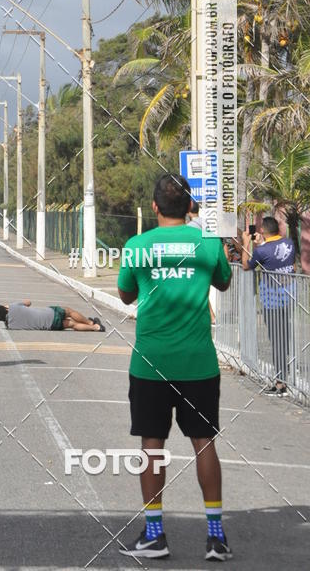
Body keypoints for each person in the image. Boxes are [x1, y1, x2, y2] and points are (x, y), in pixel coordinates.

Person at [117, 174, 232, 562]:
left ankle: (155, 535)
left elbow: (126, 294)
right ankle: (215, 536)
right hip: (198, 363)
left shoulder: (137, 246)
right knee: (204, 443)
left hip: (151, 363)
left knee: (152, 445)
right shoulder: (208, 243)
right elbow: (223, 282)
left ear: (154, 207)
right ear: (190, 207)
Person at [242, 216, 296, 397]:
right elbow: (287, 263)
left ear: (263, 231)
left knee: (277, 340)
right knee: (284, 338)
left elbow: (246, 265)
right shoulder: (289, 243)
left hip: (271, 301)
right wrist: (262, 243)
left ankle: (281, 384)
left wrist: (246, 243)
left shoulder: (262, 250)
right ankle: (284, 376)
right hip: (288, 297)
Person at [0, 300, 105, 332]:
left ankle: (96, 328)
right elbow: (28, 302)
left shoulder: (11, 326)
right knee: (69, 311)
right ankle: (90, 322)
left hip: (49, 325)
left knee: (72, 324)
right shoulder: (13, 307)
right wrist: (8, 305)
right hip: (49, 313)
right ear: (5, 308)